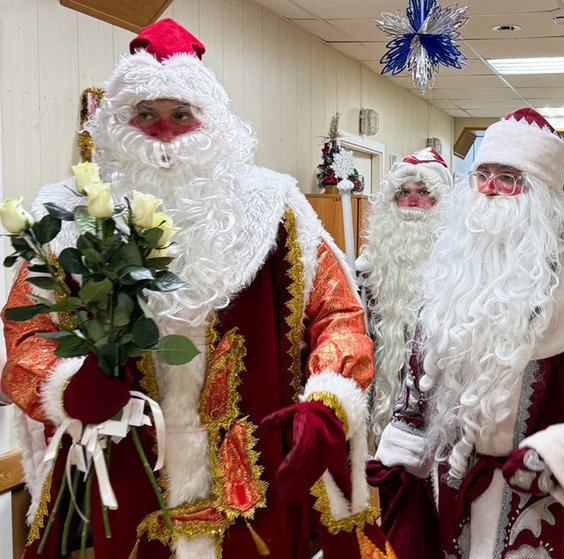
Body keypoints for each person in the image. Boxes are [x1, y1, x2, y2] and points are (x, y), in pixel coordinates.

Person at [1, 19, 392, 559]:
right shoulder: (67, 217)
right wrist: (64, 385)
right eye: (146, 114)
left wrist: (328, 400)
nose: (163, 130)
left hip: (253, 472)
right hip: (127, 472)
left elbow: (338, 314)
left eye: (180, 115)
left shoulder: (275, 210)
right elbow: (28, 331)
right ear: (117, 122)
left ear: (211, 122)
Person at [369, 108, 564, 559]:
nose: (490, 189)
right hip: (445, 476)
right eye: (483, 174)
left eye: (509, 178)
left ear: (541, 192)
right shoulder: (454, 258)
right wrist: (403, 451)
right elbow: (423, 362)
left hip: (526, 490)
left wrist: (560, 455)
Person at [355, 147, 452, 445]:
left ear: (439, 201)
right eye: (403, 192)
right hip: (382, 384)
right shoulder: (370, 265)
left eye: (423, 192)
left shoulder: (455, 261)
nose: (411, 200)